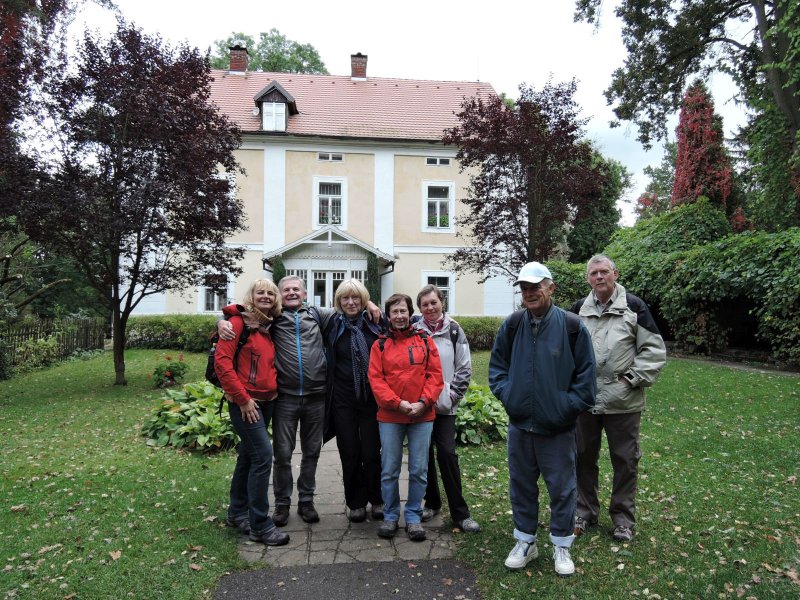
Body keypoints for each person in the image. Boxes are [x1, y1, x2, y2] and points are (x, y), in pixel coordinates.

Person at [218, 275, 381, 527]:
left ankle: (306, 501)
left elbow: (347, 308)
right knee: (282, 454)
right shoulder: (270, 319)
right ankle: (282, 503)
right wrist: (222, 322)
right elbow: (239, 314)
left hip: (317, 396)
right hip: (285, 397)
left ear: (305, 294)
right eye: (286, 290)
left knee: (312, 452)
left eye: (296, 289)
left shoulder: (318, 314)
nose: (292, 292)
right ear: (280, 295)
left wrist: (370, 304)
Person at [489, 262, 595, 576]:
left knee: (562, 488)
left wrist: (564, 407)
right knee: (521, 485)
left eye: (535, 286)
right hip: (521, 425)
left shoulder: (572, 326)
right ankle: (526, 541)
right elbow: (497, 370)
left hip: (557, 428)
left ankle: (561, 546)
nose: (529, 293)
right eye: (524, 288)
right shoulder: (512, 325)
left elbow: (587, 380)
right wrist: (510, 396)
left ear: (550, 287)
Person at [570, 255, 666, 543]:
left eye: (604, 272)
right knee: (582, 457)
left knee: (625, 461)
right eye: (593, 273)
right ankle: (584, 512)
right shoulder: (577, 310)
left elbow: (653, 350)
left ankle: (623, 519)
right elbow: (565, 349)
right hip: (586, 401)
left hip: (623, 400)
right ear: (588, 278)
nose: (599, 277)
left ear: (615, 274)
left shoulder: (634, 307)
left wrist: (632, 379)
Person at [214, 278, 289, 547]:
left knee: (247, 457)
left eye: (271, 293)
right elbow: (222, 364)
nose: (266, 296)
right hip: (246, 403)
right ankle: (260, 525)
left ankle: (237, 512)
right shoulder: (237, 323)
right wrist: (243, 400)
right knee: (263, 457)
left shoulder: (269, 325)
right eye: (261, 292)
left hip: (267, 401)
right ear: (251, 296)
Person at [368, 293, 444, 542]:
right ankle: (391, 516)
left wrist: (423, 402)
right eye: (394, 312)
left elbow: (435, 375)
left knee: (419, 469)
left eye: (403, 311)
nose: (399, 316)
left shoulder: (425, 340)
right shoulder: (379, 345)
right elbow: (376, 381)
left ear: (410, 313)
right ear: (388, 316)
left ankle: (412, 516)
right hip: (391, 416)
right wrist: (398, 404)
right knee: (389, 470)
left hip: (422, 416)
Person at [413, 285, 480, 533]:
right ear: (419, 308)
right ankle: (432, 502)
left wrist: (451, 397)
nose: (430, 308)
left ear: (442, 302)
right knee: (424, 457)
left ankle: (460, 513)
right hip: (421, 405)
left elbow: (464, 367)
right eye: (425, 304)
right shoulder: (414, 329)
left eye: (434, 302)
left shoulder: (453, 329)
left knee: (447, 455)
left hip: (444, 406)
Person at [323, 279, 386, 522]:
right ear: (338, 302)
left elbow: (407, 321)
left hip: (371, 400)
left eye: (356, 298)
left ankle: (377, 499)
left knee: (371, 452)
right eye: (345, 298)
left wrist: (371, 302)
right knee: (349, 452)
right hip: (342, 400)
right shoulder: (331, 324)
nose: (350, 302)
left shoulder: (376, 323)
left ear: (363, 301)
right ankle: (355, 502)